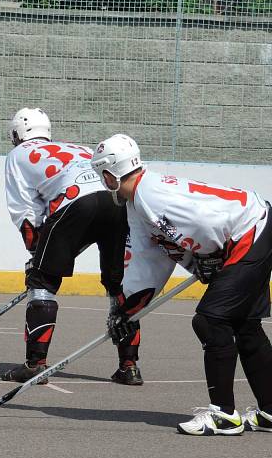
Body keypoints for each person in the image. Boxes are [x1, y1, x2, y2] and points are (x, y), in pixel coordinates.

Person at [92, 134, 272, 435]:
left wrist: (211, 253)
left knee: (210, 320)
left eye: (103, 176)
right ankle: (269, 411)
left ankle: (224, 416)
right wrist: (127, 308)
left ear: (110, 174)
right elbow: (148, 260)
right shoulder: (140, 200)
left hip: (252, 230)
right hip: (255, 225)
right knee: (245, 326)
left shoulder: (150, 197)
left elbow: (203, 220)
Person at [2, 108, 141, 385]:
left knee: (42, 283)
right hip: (114, 202)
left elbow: (25, 210)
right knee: (119, 287)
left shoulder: (17, 155)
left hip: (74, 204)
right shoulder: (78, 147)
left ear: (17, 134)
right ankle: (129, 367)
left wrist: (36, 253)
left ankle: (35, 364)